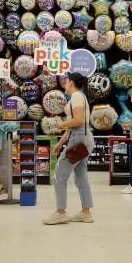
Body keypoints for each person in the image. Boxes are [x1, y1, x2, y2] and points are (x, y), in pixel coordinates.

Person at [44, 73, 95, 225]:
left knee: (59, 175)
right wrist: (60, 143)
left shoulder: (77, 97)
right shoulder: (80, 97)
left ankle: (60, 212)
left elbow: (78, 120)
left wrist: (58, 124)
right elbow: (77, 124)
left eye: (66, 82)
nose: (64, 84)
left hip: (78, 139)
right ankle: (86, 212)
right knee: (81, 175)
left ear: (71, 82)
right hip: (84, 138)